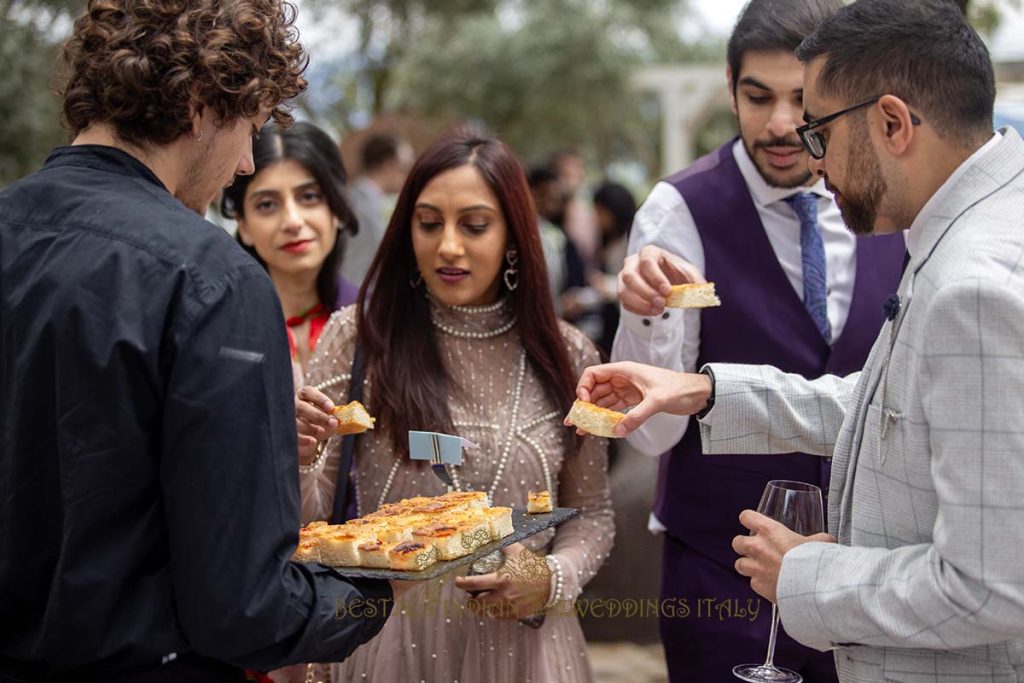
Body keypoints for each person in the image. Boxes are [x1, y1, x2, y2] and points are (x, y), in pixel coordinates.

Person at [578, 1, 1024, 681]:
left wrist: (807, 573)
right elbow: (888, 408)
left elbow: (991, 585)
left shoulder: (973, 287)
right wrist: (703, 388)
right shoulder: (984, 224)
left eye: (818, 127)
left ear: (893, 123)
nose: (806, 151)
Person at [0, 2, 406, 680]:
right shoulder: (213, 279)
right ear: (200, 100)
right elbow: (248, 611)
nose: (247, 162)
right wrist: (381, 595)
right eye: (250, 127)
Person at [609, 0, 905, 679]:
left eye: (802, 101)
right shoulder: (678, 209)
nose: (779, 124)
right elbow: (649, 438)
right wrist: (648, 314)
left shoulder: (890, 203)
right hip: (722, 576)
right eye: (757, 96)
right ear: (729, 88)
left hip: (869, 575)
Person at [294, 131, 614, 682]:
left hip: (527, 649)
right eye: (428, 223)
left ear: (514, 234)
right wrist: (298, 457)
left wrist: (552, 578)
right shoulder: (360, 339)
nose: (448, 246)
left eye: (474, 225)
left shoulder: (568, 356)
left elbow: (592, 513)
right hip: (392, 642)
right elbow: (311, 520)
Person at [221, 121, 361, 387]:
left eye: (309, 197)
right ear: (243, 224)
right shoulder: (220, 328)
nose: (293, 221)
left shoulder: (377, 325)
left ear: (338, 210)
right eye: (267, 204)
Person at [339, 132, 413, 285]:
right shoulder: (361, 205)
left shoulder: (365, 201)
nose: (407, 177)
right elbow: (358, 265)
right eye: (405, 168)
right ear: (388, 165)